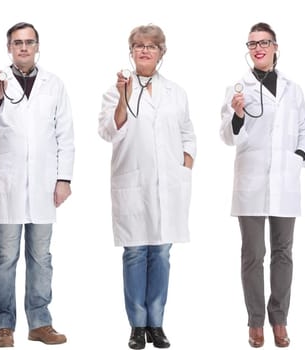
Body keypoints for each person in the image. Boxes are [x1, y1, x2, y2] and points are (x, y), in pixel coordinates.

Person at [0, 22, 74, 348]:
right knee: (5, 256)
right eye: (18, 43)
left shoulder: (54, 84)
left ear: (37, 46)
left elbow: (65, 135)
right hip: (9, 185)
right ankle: (3, 326)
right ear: (9, 48)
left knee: (41, 257)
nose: (24, 48)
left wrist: (64, 179)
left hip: (45, 186)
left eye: (29, 42)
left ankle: (40, 323)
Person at [98, 24, 196, 350]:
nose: (144, 51)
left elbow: (187, 132)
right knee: (136, 253)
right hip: (133, 183)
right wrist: (124, 96)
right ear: (131, 52)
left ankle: (157, 323)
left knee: (162, 254)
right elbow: (108, 131)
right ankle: (137, 326)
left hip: (168, 185)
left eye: (151, 46)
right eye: (138, 46)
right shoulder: (116, 91)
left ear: (161, 53)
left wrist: (186, 161)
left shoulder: (176, 92)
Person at [219, 22, 305, 349]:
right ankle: (256, 322)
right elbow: (227, 136)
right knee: (253, 254)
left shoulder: (293, 88)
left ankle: (280, 318)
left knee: (284, 253)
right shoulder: (237, 89)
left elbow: (304, 129)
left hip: (286, 181)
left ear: (275, 46)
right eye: (252, 43)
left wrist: (298, 157)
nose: (258, 48)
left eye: (264, 42)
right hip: (252, 181)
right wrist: (238, 115)